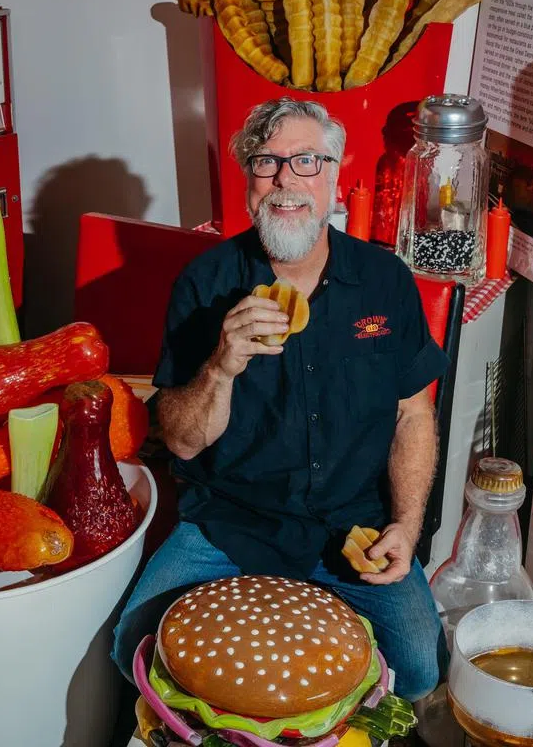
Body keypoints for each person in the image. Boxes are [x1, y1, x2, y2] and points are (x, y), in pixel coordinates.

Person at [113, 97, 449, 703]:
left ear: (337, 179)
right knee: (133, 647)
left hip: (356, 529)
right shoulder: (205, 282)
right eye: (267, 163)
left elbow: (413, 413)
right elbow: (183, 439)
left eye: (307, 162)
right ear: (248, 182)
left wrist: (405, 525)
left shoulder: (384, 278)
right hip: (229, 526)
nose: (286, 180)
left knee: (419, 670)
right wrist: (221, 366)